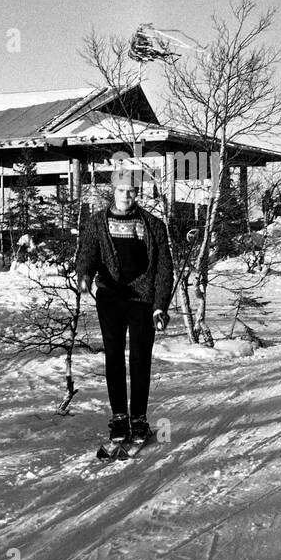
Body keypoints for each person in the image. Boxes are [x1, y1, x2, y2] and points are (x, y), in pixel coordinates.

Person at [76, 177, 175, 445]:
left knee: (141, 359)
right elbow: (87, 254)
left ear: (137, 193)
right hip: (110, 298)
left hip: (143, 299)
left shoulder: (154, 225)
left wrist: (160, 307)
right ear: (113, 192)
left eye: (131, 191)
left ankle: (139, 419)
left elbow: (165, 270)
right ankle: (119, 417)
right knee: (114, 358)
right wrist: (84, 275)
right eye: (121, 190)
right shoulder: (97, 222)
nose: (126, 195)